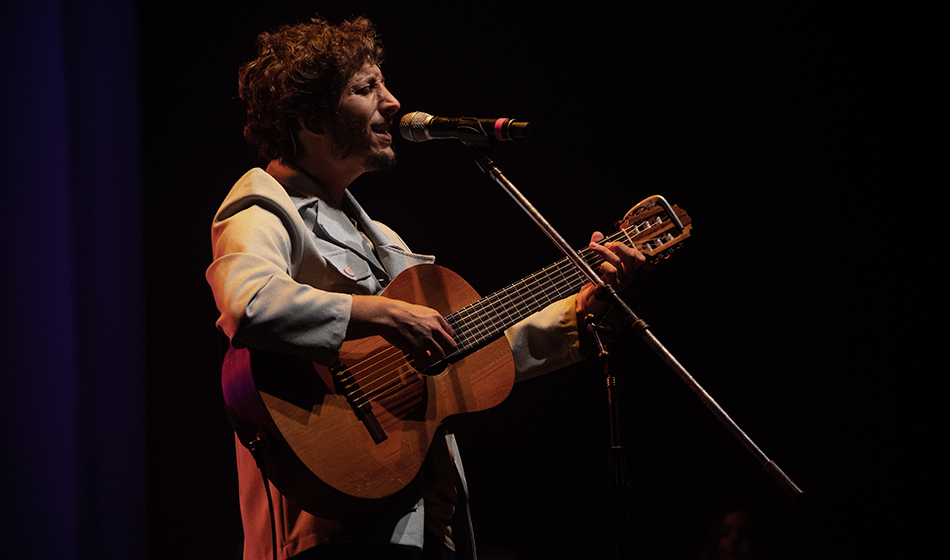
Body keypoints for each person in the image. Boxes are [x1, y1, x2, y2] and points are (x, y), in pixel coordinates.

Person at [206, 15, 644, 560]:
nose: (392, 103)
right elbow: (248, 304)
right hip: (336, 526)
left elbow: (464, 355)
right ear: (312, 118)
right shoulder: (262, 202)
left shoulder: (382, 237)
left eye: (383, 84)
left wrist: (583, 308)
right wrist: (387, 316)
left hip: (428, 521)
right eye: (367, 88)